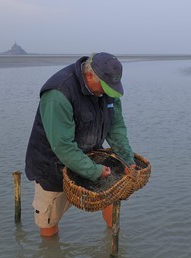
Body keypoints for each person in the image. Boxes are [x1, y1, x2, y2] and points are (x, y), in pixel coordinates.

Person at [25, 52, 136, 237]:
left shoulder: (108, 90)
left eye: (112, 88)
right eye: (105, 87)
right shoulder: (58, 93)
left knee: (112, 196)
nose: (107, 93)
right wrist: (94, 171)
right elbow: (63, 146)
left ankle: (114, 245)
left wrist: (127, 159)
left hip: (90, 154)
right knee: (49, 222)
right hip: (52, 164)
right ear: (90, 75)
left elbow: (116, 128)